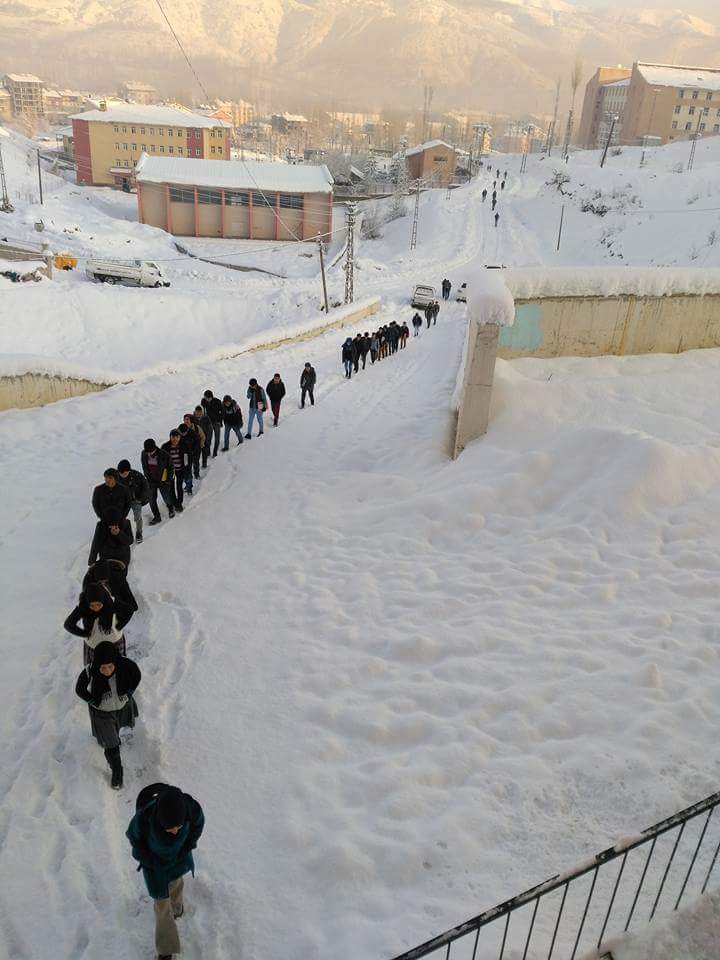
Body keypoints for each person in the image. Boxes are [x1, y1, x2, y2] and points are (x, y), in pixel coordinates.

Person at [127, 784, 205, 960]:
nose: (175, 830)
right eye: (169, 828)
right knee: (162, 905)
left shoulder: (189, 808)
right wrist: (148, 860)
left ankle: (177, 908)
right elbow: (134, 841)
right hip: (155, 867)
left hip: (178, 859)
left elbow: (199, 823)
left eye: (178, 826)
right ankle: (166, 949)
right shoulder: (144, 819)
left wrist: (189, 844)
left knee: (176, 882)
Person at [75, 640, 140, 790]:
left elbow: (136, 674)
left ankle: (114, 736)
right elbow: (79, 688)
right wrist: (93, 701)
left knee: (115, 731)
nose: (107, 671)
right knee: (111, 744)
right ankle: (117, 770)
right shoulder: (90, 671)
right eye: (103, 667)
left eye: (110, 666)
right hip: (102, 714)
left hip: (122, 707)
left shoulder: (125, 665)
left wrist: (129, 693)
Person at [64, 582, 134, 666]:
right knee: (94, 672)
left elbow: (129, 610)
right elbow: (68, 624)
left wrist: (119, 626)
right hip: (93, 646)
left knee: (119, 669)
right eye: (92, 605)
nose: (96, 608)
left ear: (103, 600)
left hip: (115, 643)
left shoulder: (111, 602)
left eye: (98, 604)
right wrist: (84, 633)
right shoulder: (83, 607)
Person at [141, 439, 175, 525]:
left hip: (162, 481)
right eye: (147, 451)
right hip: (151, 481)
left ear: (155, 448)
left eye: (150, 452)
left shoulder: (164, 455)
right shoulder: (144, 453)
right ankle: (157, 517)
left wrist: (167, 480)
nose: (148, 453)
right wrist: (147, 476)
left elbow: (171, 468)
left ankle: (171, 509)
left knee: (166, 497)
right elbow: (144, 465)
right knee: (151, 500)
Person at [117, 459, 149, 544]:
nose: (122, 475)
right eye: (120, 473)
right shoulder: (116, 478)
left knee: (137, 517)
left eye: (124, 474)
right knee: (120, 518)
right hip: (123, 502)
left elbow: (146, 487)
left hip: (136, 500)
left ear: (129, 471)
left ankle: (139, 533)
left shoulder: (137, 475)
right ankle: (120, 534)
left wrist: (140, 498)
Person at [161, 431, 186, 513]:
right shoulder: (165, 447)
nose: (175, 439)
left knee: (179, 487)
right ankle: (175, 502)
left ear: (179, 437)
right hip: (170, 472)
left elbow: (187, 458)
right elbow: (162, 461)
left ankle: (179, 504)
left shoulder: (183, 445)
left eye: (176, 437)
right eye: (173, 437)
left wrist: (187, 469)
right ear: (170, 437)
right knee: (171, 488)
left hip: (181, 470)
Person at [177, 423, 200, 496]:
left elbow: (197, 443)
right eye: (182, 433)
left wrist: (192, 451)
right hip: (180, 455)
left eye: (185, 433)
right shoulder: (177, 434)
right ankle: (187, 485)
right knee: (183, 472)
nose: (183, 434)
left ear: (187, 430)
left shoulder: (193, 434)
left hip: (189, 455)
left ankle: (189, 488)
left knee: (188, 471)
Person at [201, 389, 224, 459]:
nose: (206, 399)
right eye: (205, 397)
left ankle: (215, 452)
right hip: (208, 423)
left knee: (217, 438)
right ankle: (208, 452)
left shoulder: (217, 401)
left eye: (207, 398)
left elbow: (222, 412)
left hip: (216, 422)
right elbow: (202, 412)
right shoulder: (203, 402)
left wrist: (220, 421)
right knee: (208, 439)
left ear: (211, 397)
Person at [182, 413, 205, 479]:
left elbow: (202, 436)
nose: (185, 421)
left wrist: (200, 445)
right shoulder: (182, 427)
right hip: (186, 451)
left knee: (196, 462)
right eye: (184, 419)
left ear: (191, 420)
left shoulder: (197, 427)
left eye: (187, 419)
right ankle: (188, 477)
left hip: (196, 449)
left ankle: (196, 474)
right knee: (186, 464)